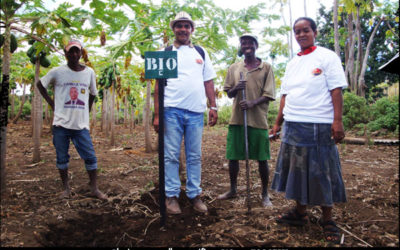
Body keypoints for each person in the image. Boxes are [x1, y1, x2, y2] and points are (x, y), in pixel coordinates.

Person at [270, 17, 347, 244]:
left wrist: (338, 121)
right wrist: (278, 123)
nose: (301, 35)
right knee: (297, 170)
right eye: (297, 32)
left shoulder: (327, 56)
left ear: (314, 31)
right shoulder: (293, 63)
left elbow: (336, 90)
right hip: (293, 124)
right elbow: (285, 96)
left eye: (305, 30)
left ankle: (328, 219)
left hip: (318, 124)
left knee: (322, 171)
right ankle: (300, 213)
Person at [153, 11, 218, 214]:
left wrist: (213, 106)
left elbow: (208, 81)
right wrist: (157, 115)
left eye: (186, 26)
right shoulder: (165, 52)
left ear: (192, 29)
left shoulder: (200, 52)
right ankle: (171, 195)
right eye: (179, 25)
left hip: (196, 112)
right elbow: (158, 86)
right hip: (171, 111)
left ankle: (194, 195)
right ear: (173, 29)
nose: (183, 29)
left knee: (194, 155)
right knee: (171, 154)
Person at [37, 39, 107, 200]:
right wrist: (52, 104)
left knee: (90, 157)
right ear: (66, 53)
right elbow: (40, 84)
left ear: (81, 53)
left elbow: (93, 93)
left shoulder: (89, 72)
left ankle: (94, 188)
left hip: (80, 125)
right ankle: (66, 189)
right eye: (71, 51)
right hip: (61, 124)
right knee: (62, 158)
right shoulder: (57, 71)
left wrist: (86, 111)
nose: (74, 54)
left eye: (77, 51)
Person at [217, 34, 276, 207]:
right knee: (233, 156)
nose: (247, 45)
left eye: (250, 42)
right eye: (243, 43)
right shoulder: (234, 68)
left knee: (262, 157)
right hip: (237, 119)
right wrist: (236, 88)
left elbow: (269, 94)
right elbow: (228, 93)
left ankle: (265, 194)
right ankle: (233, 189)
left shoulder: (265, 68)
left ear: (256, 45)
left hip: (258, 120)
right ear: (241, 46)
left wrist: (252, 103)